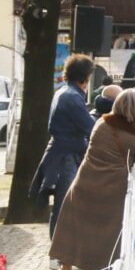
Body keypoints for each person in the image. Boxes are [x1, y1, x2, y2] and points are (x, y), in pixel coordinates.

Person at [48, 89, 135, 270]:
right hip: (112, 192)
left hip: (84, 184)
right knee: (105, 240)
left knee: (75, 230)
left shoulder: (101, 124)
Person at [30, 54, 96, 243]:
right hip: (66, 156)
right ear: (84, 77)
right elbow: (90, 128)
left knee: (63, 203)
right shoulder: (73, 97)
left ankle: (60, 252)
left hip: (61, 152)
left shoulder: (63, 92)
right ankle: (58, 254)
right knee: (65, 204)